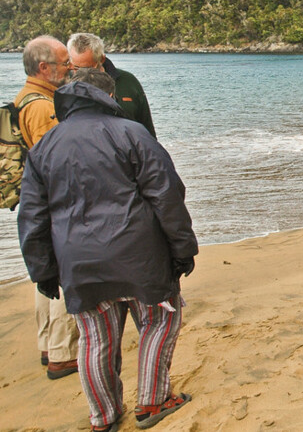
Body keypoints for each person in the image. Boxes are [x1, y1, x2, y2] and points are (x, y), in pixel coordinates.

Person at [18, 69, 198, 431]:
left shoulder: (45, 147)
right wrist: (182, 247)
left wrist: (44, 271)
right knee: (160, 320)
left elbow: (32, 216)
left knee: (94, 338)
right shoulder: (132, 134)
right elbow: (167, 195)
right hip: (139, 254)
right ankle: (152, 400)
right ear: (109, 97)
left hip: (78, 261)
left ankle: (103, 417)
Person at [17, 35, 80, 380]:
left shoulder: (28, 98)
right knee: (61, 273)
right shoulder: (42, 107)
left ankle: (49, 346)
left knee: (46, 276)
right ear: (44, 68)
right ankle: (63, 352)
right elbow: (55, 162)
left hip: (41, 203)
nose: (69, 68)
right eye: (63, 63)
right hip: (56, 203)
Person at [66, 32, 156, 137]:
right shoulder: (65, 87)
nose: (82, 73)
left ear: (101, 59)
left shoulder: (128, 81)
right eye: (76, 68)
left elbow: (147, 129)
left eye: (87, 68)